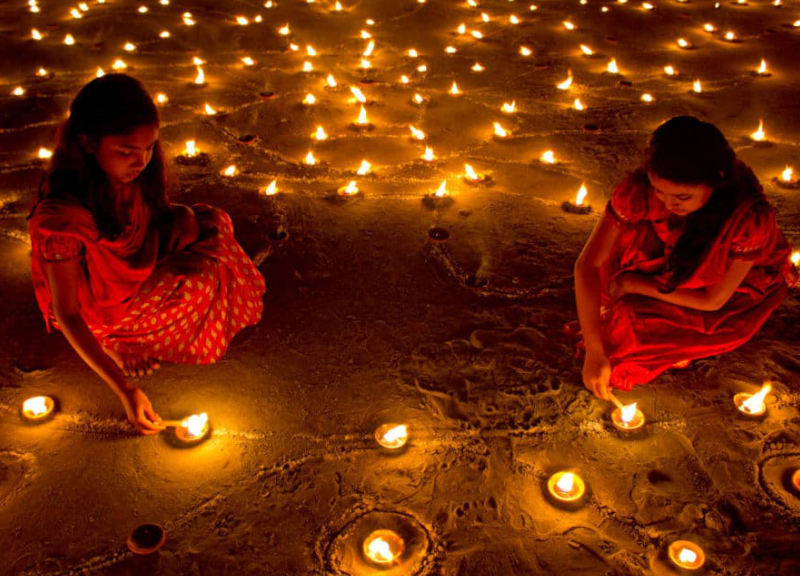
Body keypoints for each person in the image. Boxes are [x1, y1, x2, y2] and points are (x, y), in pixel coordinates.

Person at [27, 74, 266, 433]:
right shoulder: (62, 218)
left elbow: (145, 214)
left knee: (210, 223)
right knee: (199, 281)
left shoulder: (124, 173)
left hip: (127, 268)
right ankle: (117, 341)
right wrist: (126, 390)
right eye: (126, 151)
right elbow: (68, 313)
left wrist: (175, 222)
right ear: (88, 143)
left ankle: (131, 325)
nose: (141, 162)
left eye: (148, 148)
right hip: (98, 308)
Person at [573, 116, 797, 400]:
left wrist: (634, 284)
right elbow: (587, 264)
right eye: (659, 190)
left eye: (682, 196)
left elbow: (713, 300)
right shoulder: (640, 193)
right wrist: (594, 352)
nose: (668, 203)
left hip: (722, 290)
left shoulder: (746, 219)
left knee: (626, 352)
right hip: (662, 262)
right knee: (603, 335)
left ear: (715, 183)